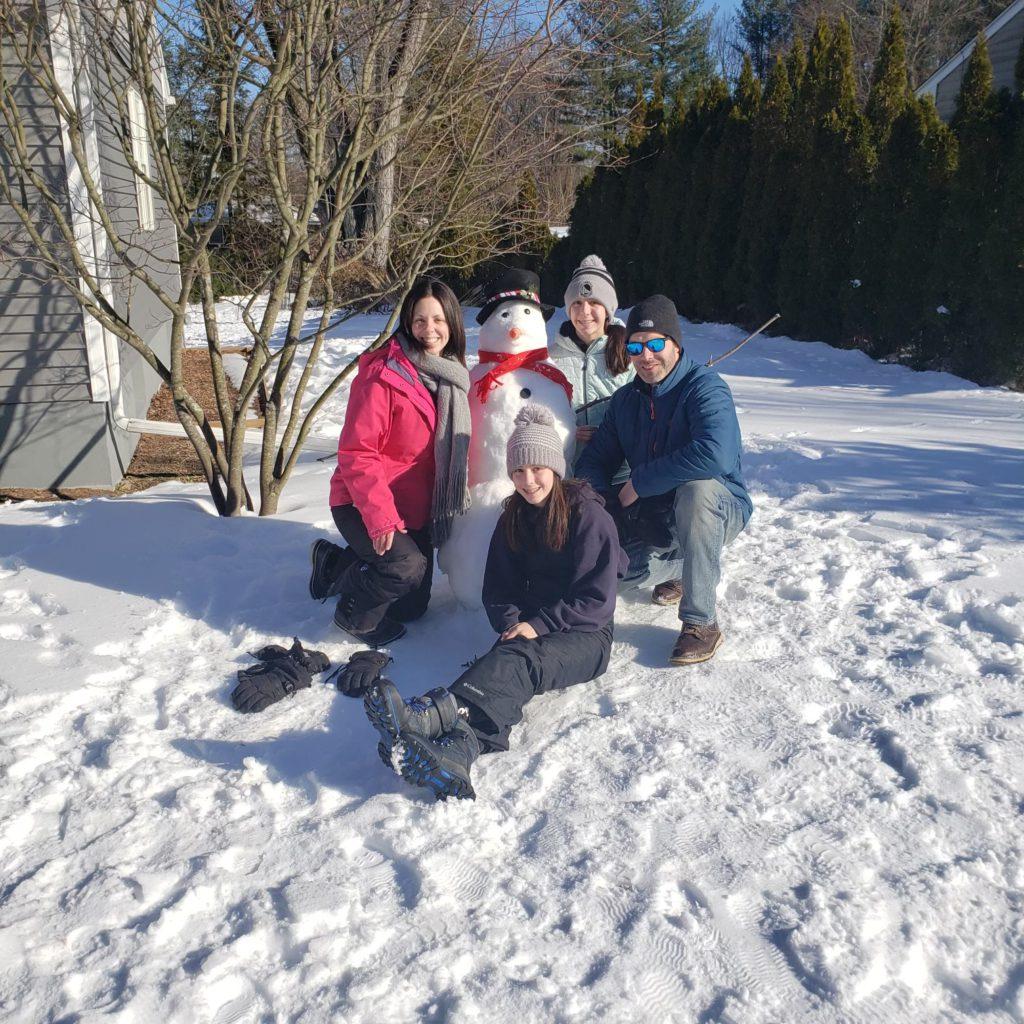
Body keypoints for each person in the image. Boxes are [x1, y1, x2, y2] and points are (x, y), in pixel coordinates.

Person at [356, 405, 628, 801]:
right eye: (518, 471)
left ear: (555, 467)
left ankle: (428, 717)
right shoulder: (513, 517)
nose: (528, 481)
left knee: (519, 661)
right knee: (506, 664)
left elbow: (597, 600)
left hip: (586, 634)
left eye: (537, 469)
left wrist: (536, 627)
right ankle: (456, 752)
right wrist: (512, 622)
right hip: (533, 626)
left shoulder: (588, 516)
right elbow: (498, 587)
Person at [575, 294, 752, 666]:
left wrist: (640, 481)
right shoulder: (625, 401)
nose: (645, 355)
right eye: (636, 346)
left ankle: (701, 622)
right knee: (614, 572)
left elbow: (715, 453)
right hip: (656, 518)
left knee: (697, 491)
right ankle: (685, 568)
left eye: (655, 344)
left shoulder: (704, 387)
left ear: (675, 344)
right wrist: (603, 503)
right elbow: (595, 459)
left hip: (718, 507)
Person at [308, 278, 471, 646]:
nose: (429, 330)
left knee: (411, 609)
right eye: (419, 320)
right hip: (361, 502)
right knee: (405, 568)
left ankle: (335, 565)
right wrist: (380, 519)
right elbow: (357, 453)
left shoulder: (449, 375)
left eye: (438, 320)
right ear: (406, 323)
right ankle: (353, 617)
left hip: (414, 508)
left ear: (453, 324)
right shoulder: (383, 375)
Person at [548, 255, 633, 468]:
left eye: (594, 302)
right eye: (577, 303)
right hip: (569, 471)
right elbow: (538, 413)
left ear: (608, 311)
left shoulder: (630, 353)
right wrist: (567, 430)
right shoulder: (551, 358)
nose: (585, 312)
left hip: (621, 471)